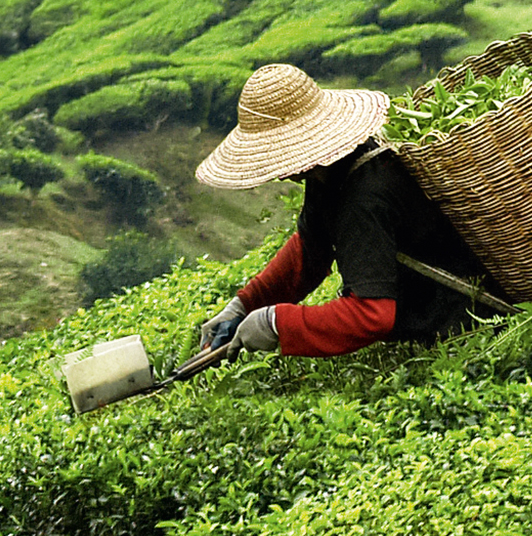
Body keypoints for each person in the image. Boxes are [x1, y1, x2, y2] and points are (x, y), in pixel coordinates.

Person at [194, 63, 501, 357]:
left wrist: (276, 324)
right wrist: (245, 306)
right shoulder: (330, 168)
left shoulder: (365, 196)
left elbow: (371, 315)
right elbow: (309, 250)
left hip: (464, 323)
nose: (280, 173)